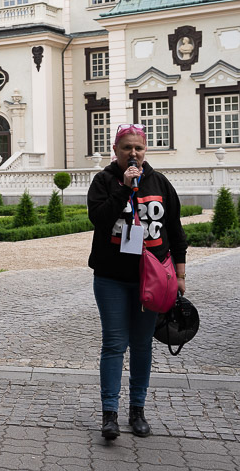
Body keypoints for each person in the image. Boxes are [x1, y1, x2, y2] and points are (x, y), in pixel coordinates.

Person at [87, 123, 187, 440]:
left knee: (142, 346)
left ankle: (138, 411)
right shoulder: (103, 182)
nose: (133, 153)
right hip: (112, 278)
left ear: (145, 151)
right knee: (115, 345)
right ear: (115, 150)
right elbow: (100, 219)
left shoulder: (159, 182)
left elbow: (175, 230)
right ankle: (110, 415)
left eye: (138, 148)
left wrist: (180, 275)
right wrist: (124, 189)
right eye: (127, 147)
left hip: (152, 280)